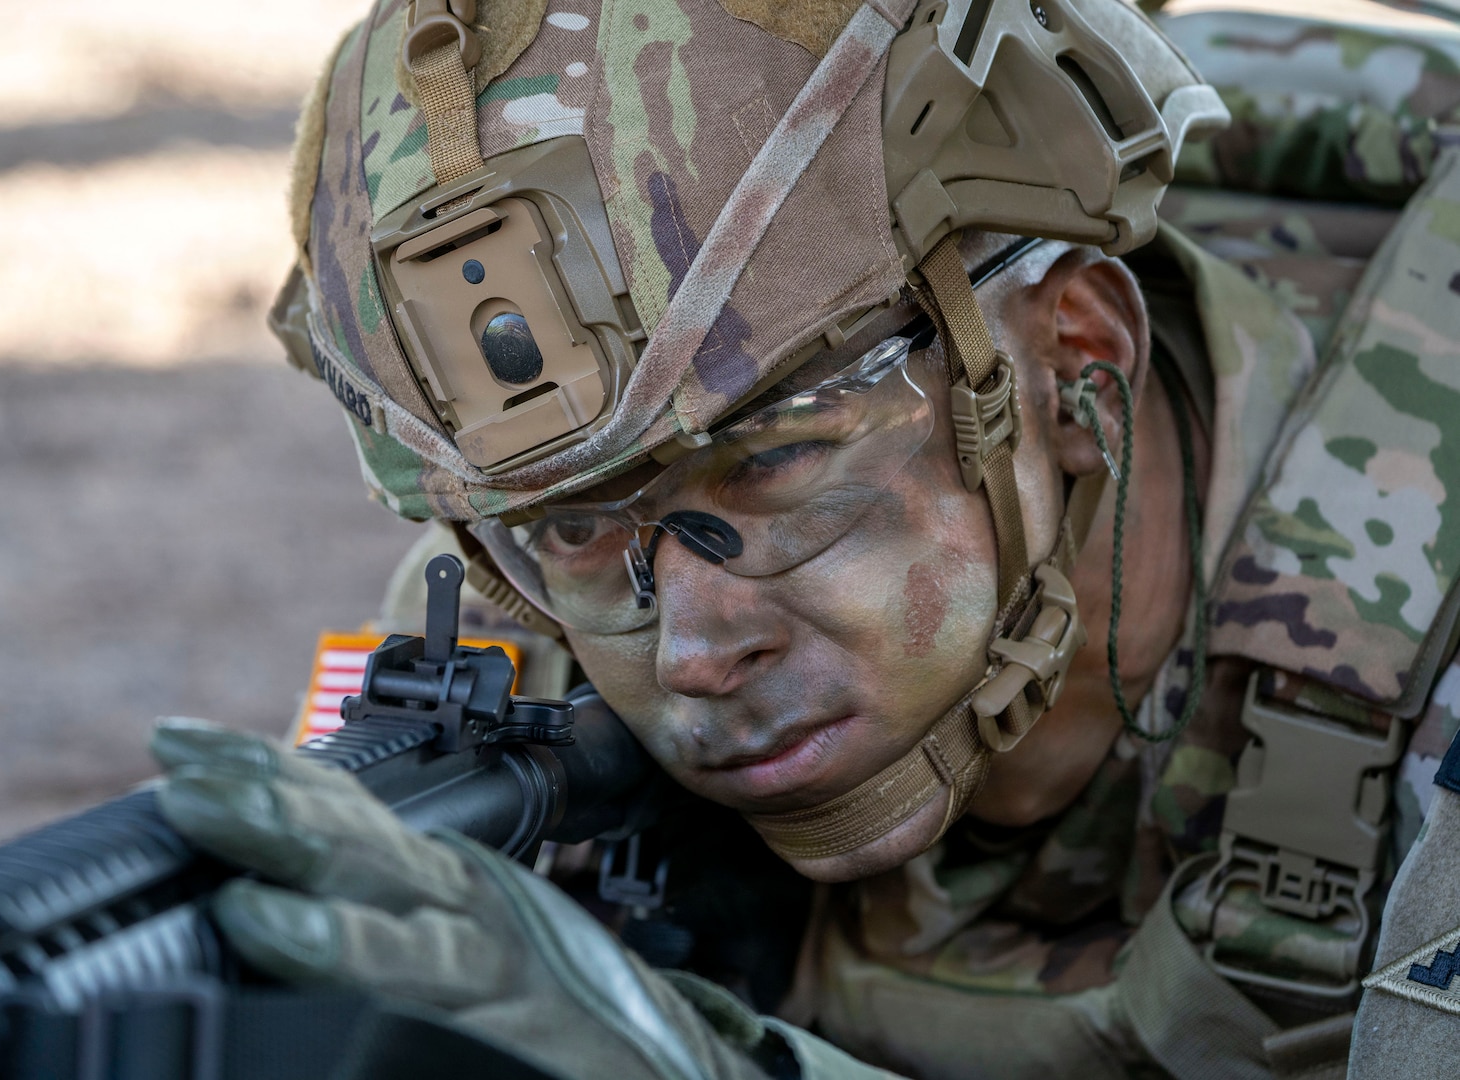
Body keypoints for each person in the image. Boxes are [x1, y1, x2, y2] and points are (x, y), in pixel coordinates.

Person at [151, 0, 1460, 1075]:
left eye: (773, 462)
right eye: (577, 524)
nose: (694, 652)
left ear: (1075, 364)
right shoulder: (519, 638)